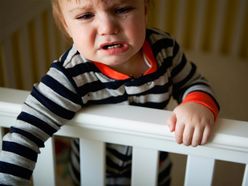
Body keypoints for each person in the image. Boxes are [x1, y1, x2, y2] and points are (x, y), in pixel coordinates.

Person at [0, 0, 219, 185]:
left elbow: (193, 81)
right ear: (67, 27)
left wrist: (197, 103)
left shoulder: (165, 49)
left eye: (122, 9)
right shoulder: (70, 74)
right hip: (89, 173)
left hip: (155, 170)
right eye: (86, 15)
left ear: (145, 10)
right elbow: (24, 135)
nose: (107, 27)